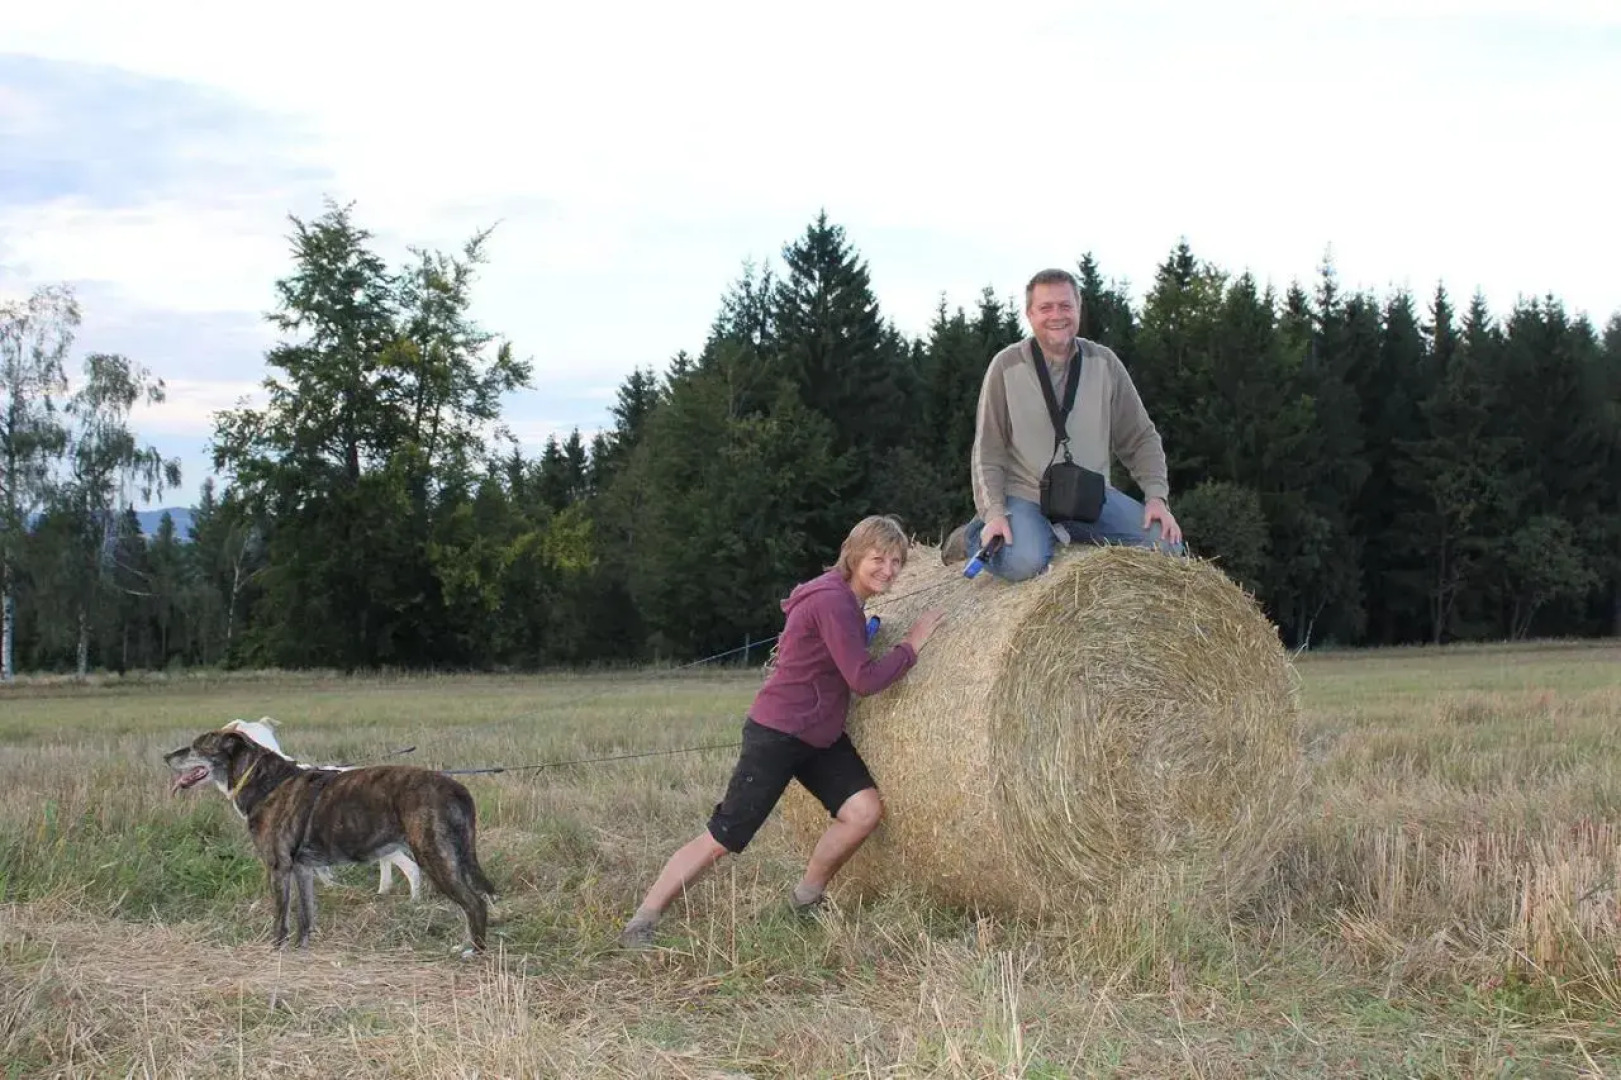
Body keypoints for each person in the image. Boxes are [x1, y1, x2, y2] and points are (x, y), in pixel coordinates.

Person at [619, 515, 946, 949]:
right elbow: (863, 681)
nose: (888, 570)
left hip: (819, 736)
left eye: (896, 562)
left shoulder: (845, 599)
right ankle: (643, 919)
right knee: (725, 837)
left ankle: (805, 900)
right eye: (878, 559)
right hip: (779, 732)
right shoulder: (833, 599)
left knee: (863, 811)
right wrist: (913, 644)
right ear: (853, 554)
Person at [943, 267, 1185, 581]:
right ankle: (972, 535)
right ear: (1030, 314)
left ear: (1079, 309)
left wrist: (1156, 496)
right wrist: (994, 513)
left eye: (1065, 306)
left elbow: (1141, 437)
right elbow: (987, 450)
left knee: (1166, 544)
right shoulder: (1006, 365)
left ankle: (1059, 532)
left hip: (1087, 495)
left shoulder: (1104, 363)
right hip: (1025, 493)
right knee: (1024, 562)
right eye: (1045, 308)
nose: (1057, 315)